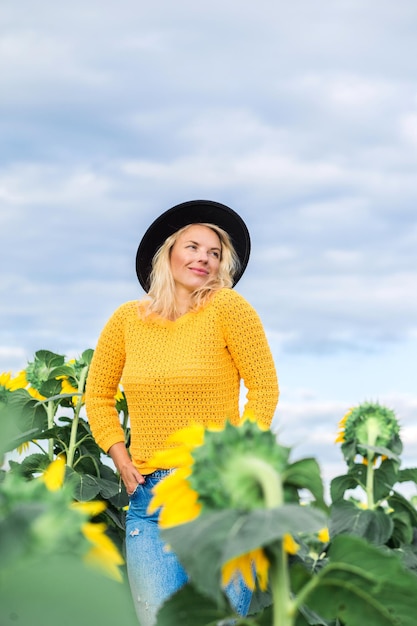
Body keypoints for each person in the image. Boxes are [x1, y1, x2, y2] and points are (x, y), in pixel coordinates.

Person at [85, 199, 279, 626]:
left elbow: (264, 387)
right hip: (149, 500)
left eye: (214, 253)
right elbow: (97, 394)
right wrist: (118, 455)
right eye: (193, 247)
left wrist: (237, 460)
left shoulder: (229, 309)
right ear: (168, 251)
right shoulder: (125, 321)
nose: (204, 259)